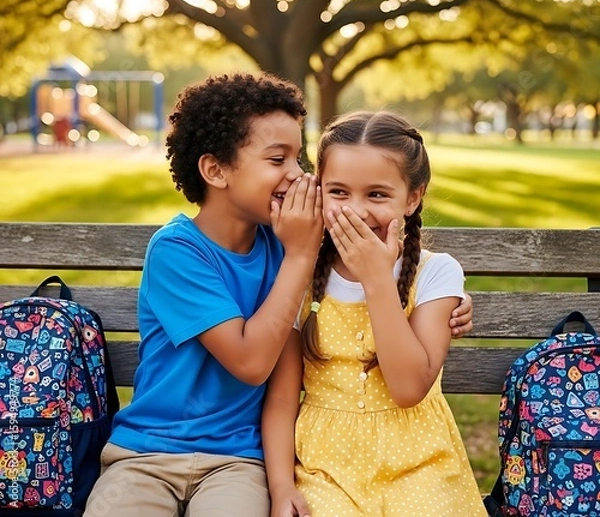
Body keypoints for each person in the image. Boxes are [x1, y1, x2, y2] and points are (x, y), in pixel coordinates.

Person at [84, 74, 473, 517]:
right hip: (149, 453)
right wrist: (302, 255)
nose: (297, 175)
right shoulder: (212, 252)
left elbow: (395, 269)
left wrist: (446, 306)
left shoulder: (289, 245)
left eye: (299, 158)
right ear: (215, 170)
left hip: (240, 460)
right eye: (278, 159)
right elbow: (252, 363)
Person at [262, 110, 486, 517]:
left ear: (413, 197)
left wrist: (377, 281)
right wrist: (280, 487)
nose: (356, 211)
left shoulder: (436, 272)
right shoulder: (298, 273)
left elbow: (407, 388)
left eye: (377, 195)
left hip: (419, 459)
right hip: (326, 465)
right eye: (339, 192)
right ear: (318, 189)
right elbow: (280, 399)